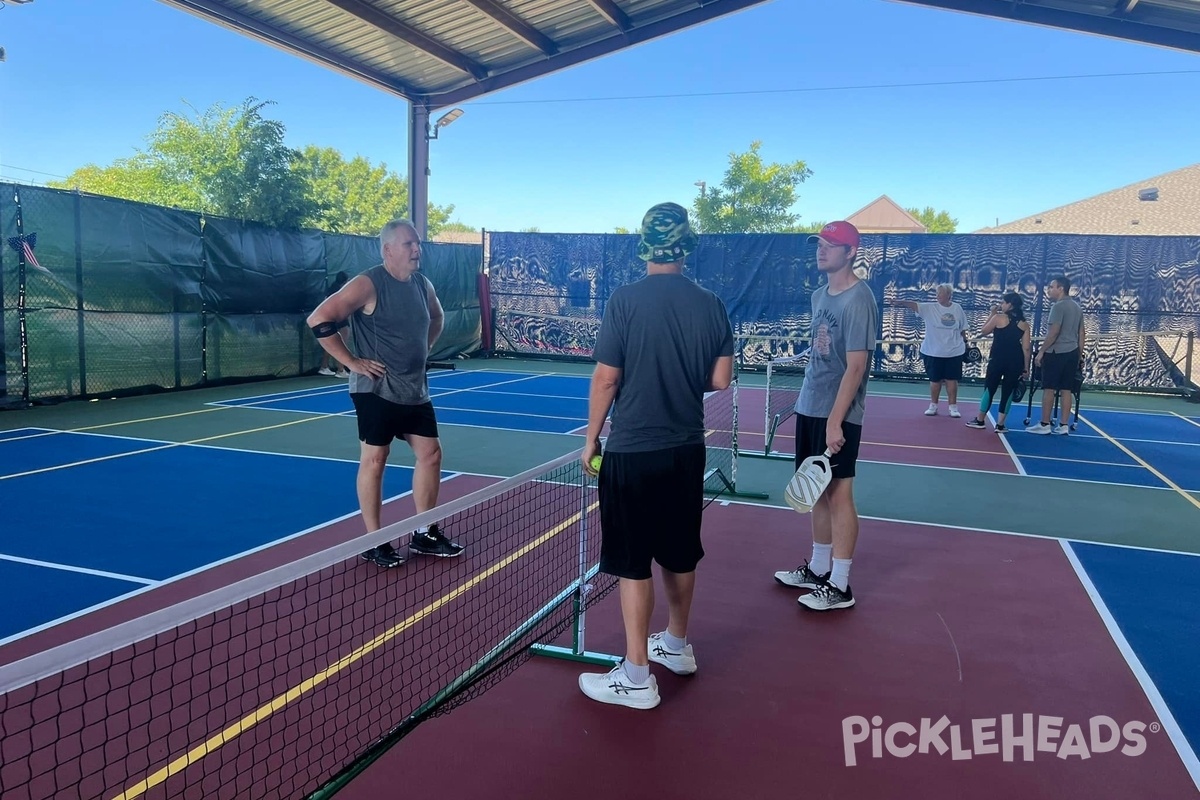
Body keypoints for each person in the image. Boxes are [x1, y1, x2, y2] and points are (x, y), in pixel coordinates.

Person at [577, 202, 734, 710]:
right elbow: (720, 380)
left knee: (633, 562)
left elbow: (606, 377)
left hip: (633, 452)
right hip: (687, 450)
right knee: (680, 551)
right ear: (686, 248)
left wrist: (591, 439)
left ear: (644, 246)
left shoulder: (624, 300)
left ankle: (637, 676)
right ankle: (677, 645)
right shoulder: (711, 303)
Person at [306, 219, 464, 568]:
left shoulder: (423, 285)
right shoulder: (368, 283)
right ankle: (375, 539)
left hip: (414, 389)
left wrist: (424, 347)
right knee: (375, 460)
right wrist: (351, 362)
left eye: (417, 244)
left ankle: (424, 532)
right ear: (387, 249)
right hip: (375, 390)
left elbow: (436, 318)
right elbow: (320, 319)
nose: (416, 250)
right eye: (408, 244)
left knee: (431, 455)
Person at [774, 221, 877, 612]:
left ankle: (841, 585)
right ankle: (819, 568)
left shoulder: (859, 299)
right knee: (813, 489)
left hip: (839, 413)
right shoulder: (820, 295)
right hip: (810, 405)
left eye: (831, 245)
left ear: (850, 252)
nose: (822, 250)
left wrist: (836, 421)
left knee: (839, 493)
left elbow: (855, 367)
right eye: (819, 244)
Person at [889, 284, 968, 418]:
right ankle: (933, 406)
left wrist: (966, 343)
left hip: (954, 351)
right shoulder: (929, 308)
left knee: (951, 380)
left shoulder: (957, 308)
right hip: (933, 351)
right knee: (935, 380)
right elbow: (914, 305)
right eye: (937, 294)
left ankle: (953, 407)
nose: (938, 296)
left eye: (941, 294)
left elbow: (963, 329)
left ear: (948, 295)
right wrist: (900, 302)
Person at [1027, 275, 1084, 435]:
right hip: (1072, 353)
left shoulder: (1058, 307)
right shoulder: (1077, 307)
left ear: (1061, 288)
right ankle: (1063, 425)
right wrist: (1079, 355)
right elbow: (1082, 334)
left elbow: (1054, 332)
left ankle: (1045, 424)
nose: (1049, 290)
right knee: (1067, 389)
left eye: (1052, 287)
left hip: (1056, 352)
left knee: (1049, 388)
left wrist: (1042, 351)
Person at [965, 292, 1030, 433]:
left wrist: (992, 313)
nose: (1001, 305)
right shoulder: (1024, 324)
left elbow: (983, 330)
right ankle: (1000, 425)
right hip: (1015, 361)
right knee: (1008, 391)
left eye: (1003, 302)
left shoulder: (998, 318)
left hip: (997, 360)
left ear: (1010, 304)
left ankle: (980, 420)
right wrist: (1026, 368)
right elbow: (1026, 348)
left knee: (989, 388)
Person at [317, 271, 350, 377]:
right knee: (342, 344)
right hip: (338, 319)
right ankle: (340, 370)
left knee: (331, 344)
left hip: (327, 319)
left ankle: (324, 366)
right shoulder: (340, 291)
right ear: (344, 281)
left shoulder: (331, 289)